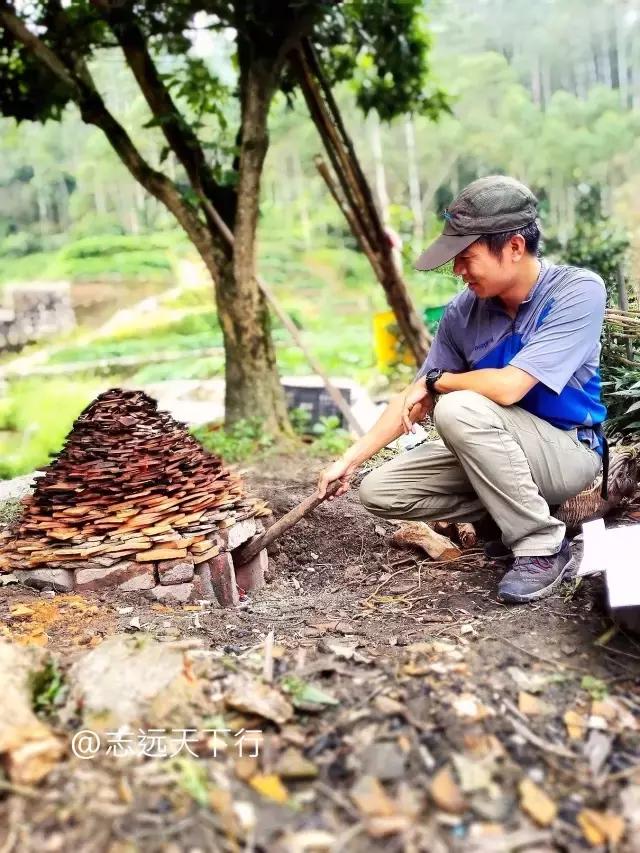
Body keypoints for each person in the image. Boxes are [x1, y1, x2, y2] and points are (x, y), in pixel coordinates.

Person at [317, 175, 607, 604]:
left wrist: (442, 384)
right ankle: (504, 513)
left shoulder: (576, 291)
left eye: (467, 257)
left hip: (568, 451)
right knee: (379, 490)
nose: (457, 271)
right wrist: (350, 460)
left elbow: (508, 388)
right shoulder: (462, 313)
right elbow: (414, 396)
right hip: (501, 450)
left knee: (459, 408)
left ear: (513, 246)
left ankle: (541, 546)